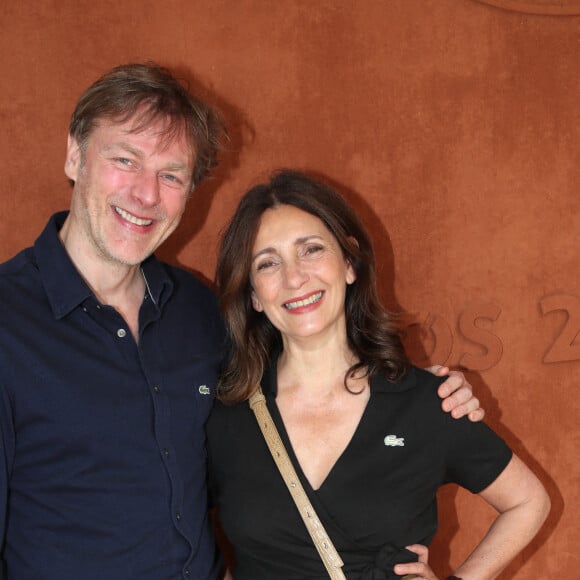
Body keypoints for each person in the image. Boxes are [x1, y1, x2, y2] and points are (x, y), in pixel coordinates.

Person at [0, 64, 482, 580]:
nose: (145, 194)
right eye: (125, 160)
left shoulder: (199, 311)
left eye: (171, 175)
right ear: (75, 155)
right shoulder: (8, 325)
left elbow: (311, 379)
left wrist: (422, 393)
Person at [207, 170, 550, 579]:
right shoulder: (225, 415)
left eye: (311, 250)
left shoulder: (426, 402)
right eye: (268, 263)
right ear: (254, 296)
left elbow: (529, 501)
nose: (294, 277)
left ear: (350, 264)